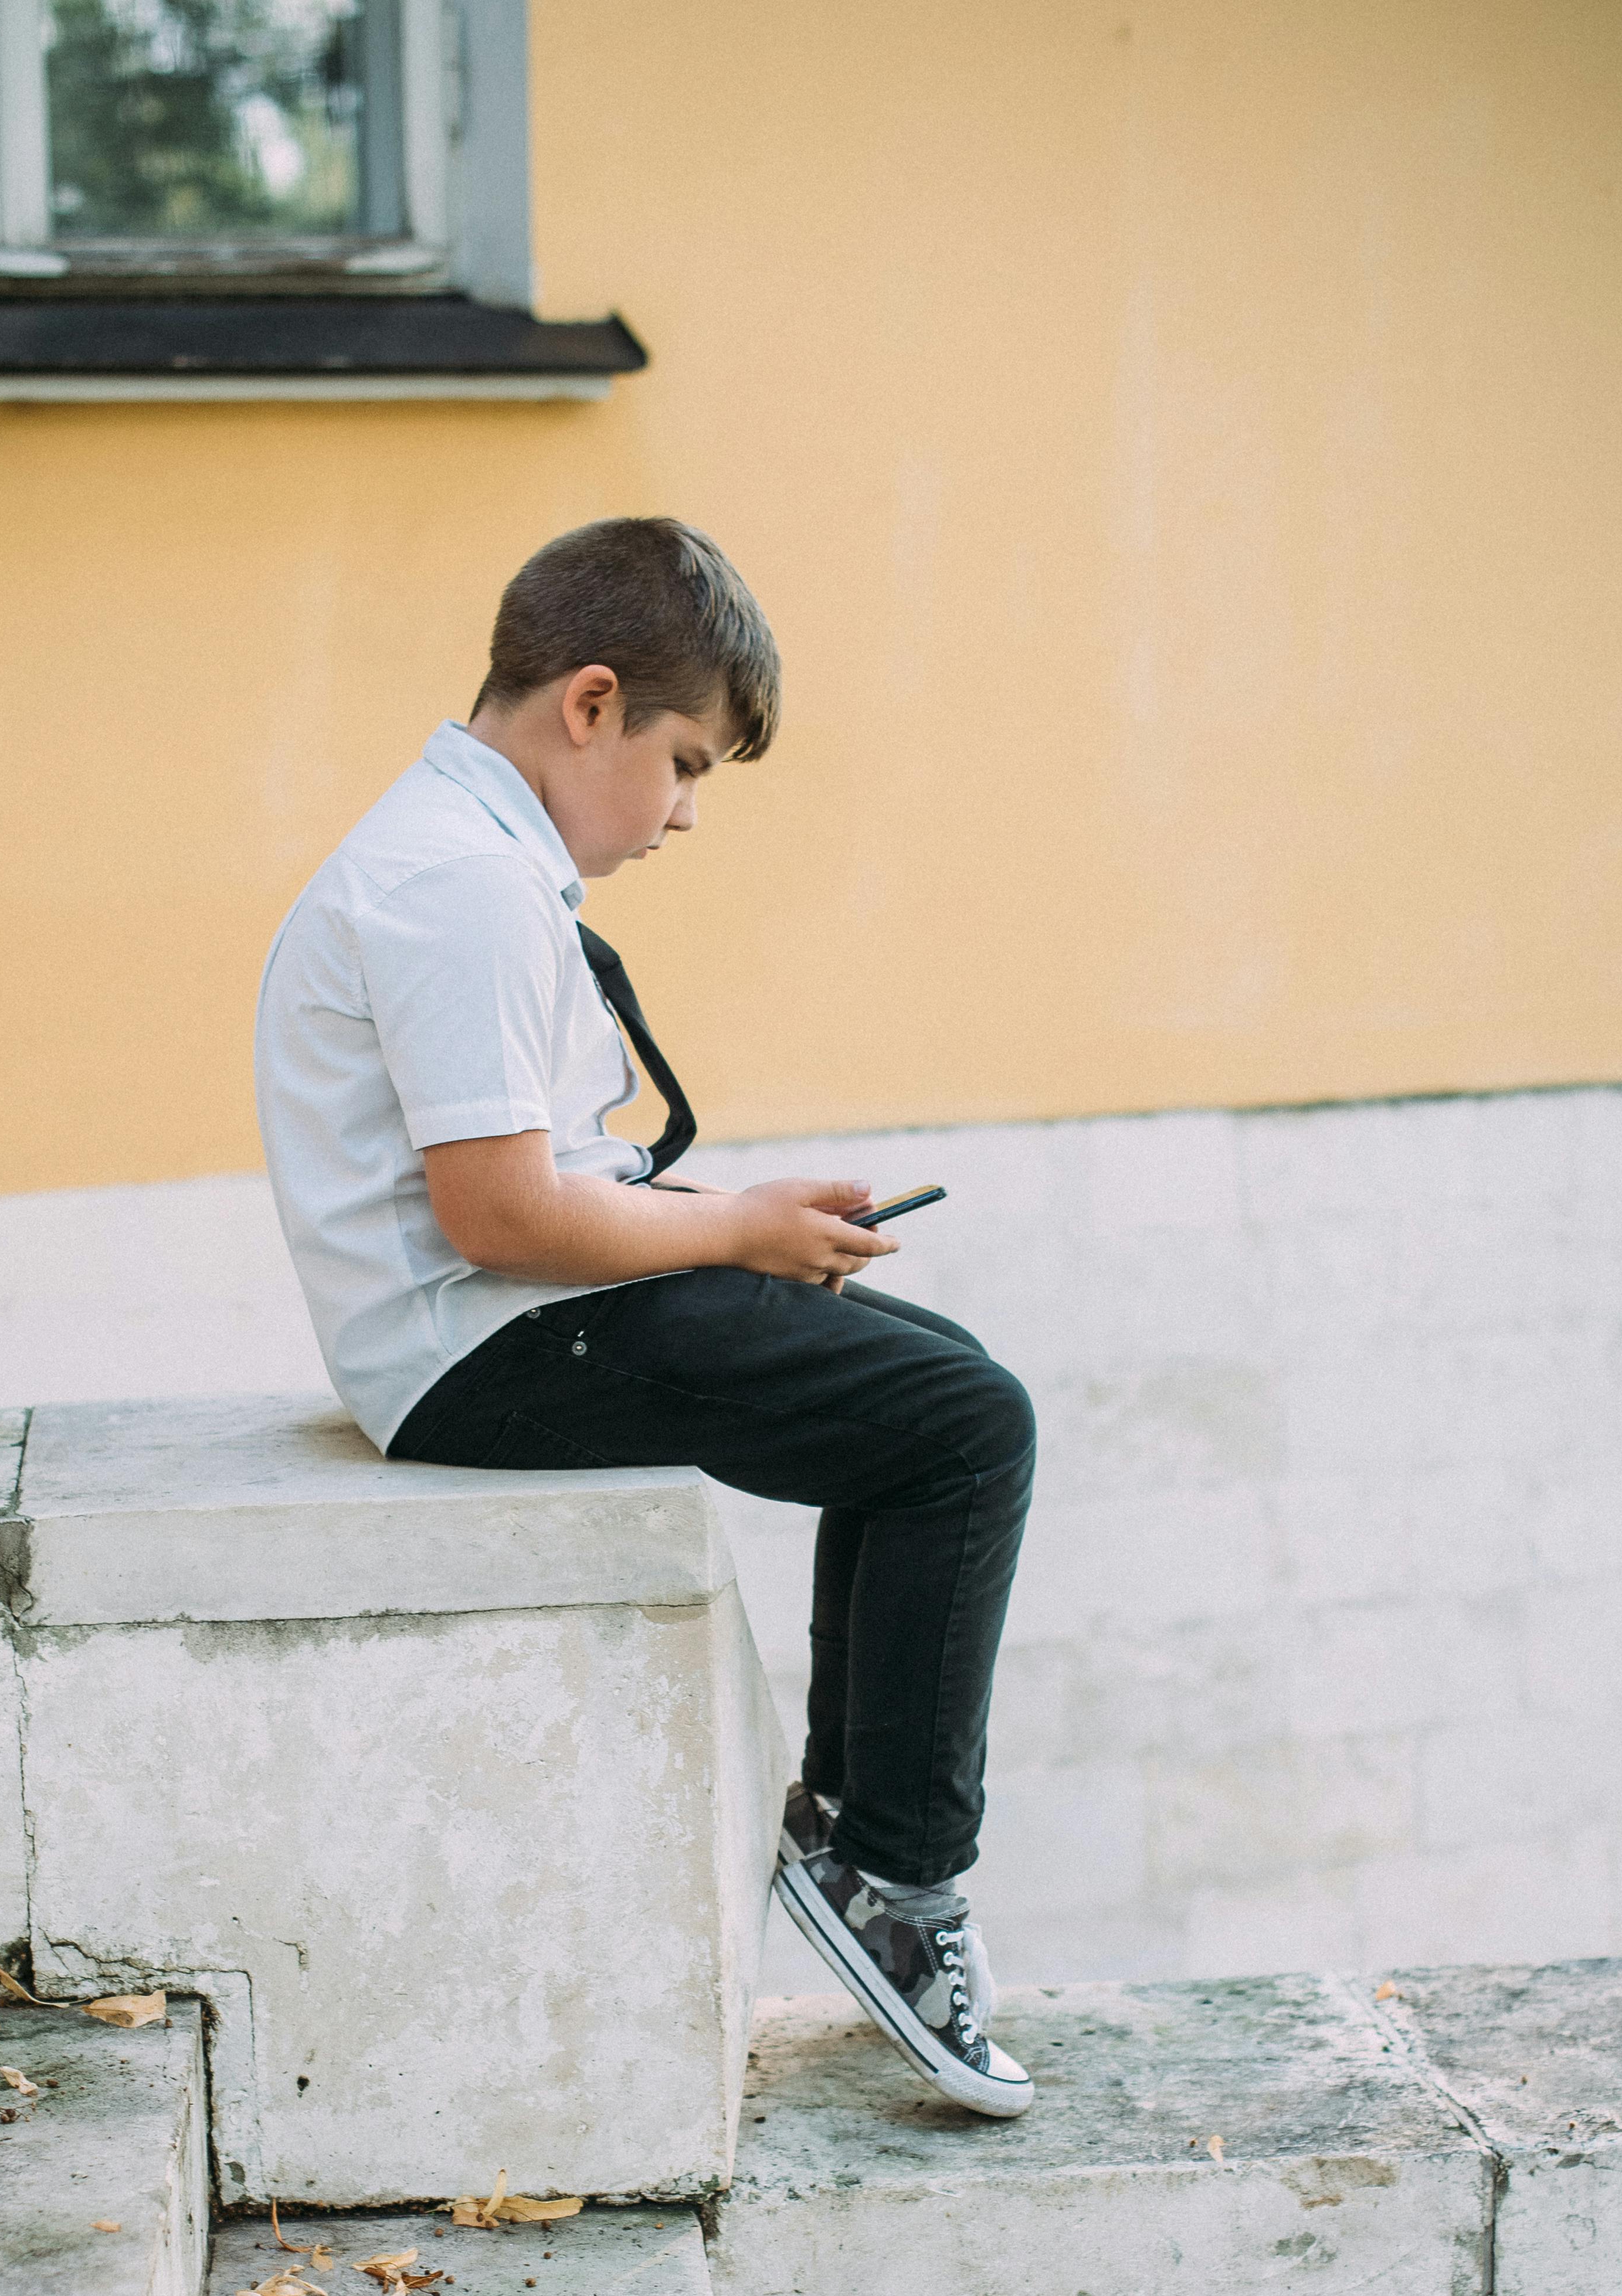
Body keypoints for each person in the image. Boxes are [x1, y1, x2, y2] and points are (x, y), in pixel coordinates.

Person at [255, 518, 1036, 2118]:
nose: (682, 815)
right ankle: (892, 1874)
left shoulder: (467, 856)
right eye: (684, 764)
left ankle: (862, 1833)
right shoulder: (455, 884)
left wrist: (740, 1232)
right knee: (962, 1426)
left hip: (506, 1317)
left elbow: (534, 1184)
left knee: (939, 1382)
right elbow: (497, 1216)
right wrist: (733, 1233)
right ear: (590, 703)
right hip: (481, 1351)